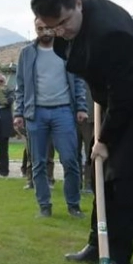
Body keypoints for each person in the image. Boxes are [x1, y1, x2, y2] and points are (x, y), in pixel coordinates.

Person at [29, 0, 133, 264]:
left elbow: (124, 97)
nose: (60, 32)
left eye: (63, 23)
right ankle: (97, 245)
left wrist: (104, 139)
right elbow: (83, 61)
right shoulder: (63, 6)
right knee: (104, 177)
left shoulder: (112, 34)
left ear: (77, 2)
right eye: (52, 28)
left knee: (122, 182)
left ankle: (119, 261)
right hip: (116, 99)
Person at [14, 18, 88, 219]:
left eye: (48, 27)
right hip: (35, 114)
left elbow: (78, 80)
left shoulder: (67, 49)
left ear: (55, 28)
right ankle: (44, 206)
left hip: (63, 111)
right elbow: (20, 86)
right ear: (35, 29)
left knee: (70, 160)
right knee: (38, 162)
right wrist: (18, 112)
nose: (44, 31)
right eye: (40, 28)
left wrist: (81, 107)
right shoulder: (27, 53)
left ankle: (74, 205)